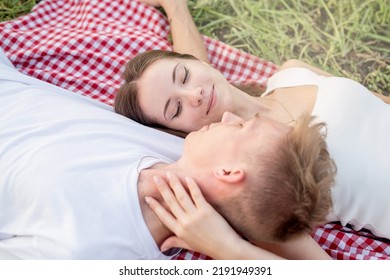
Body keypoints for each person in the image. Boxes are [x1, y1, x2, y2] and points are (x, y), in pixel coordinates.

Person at [0, 47, 335, 260]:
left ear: (230, 172)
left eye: (242, 128)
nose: (230, 118)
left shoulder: (88, 254)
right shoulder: (178, 145)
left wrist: (230, 251)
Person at [114, 0, 390, 245]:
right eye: (175, 109)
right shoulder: (257, 178)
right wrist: (224, 246)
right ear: (176, 130)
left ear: (198, 63)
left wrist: (176, 7)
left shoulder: (292, 73)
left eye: (184, 76)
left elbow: (380, 100)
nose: (194, 95)